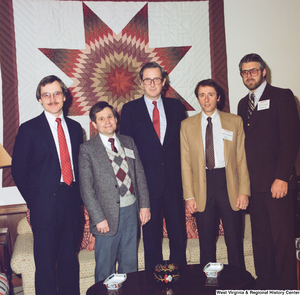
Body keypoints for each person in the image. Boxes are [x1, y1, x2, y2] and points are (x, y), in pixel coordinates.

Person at [11, 75, 83, 295]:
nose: (52, 98)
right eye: (46, 95)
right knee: (45, 267)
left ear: (64, 96)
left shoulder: (75, 128)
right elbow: (18, 171)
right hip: (44, 207)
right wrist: (36, 202)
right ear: (40, 99)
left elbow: (79, 167)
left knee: (70, 264)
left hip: (72, 203)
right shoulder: (29, 129)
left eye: (56, 93)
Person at [237, 53, 300, 289]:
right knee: (261, 241)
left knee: (282, 243)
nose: (249, 75)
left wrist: (282, 177)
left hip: (277, 184)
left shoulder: (282, 96)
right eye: (245, 71)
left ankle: (286, 289)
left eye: (254, 70)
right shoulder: (243, 104)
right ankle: (265, 285)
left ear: (264, 71)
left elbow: (291, 140)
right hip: (254, 186)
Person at [120, 62, 187, 270]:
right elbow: (127, 152)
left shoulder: (177, 107)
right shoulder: (130, 110)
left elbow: (184, 147)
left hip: (174, 183)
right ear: (141, 83)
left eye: (156, 79)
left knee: (178, 234)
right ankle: (153, 283)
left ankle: (181, 281)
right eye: (147, 79)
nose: (152, 83)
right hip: (146, 185)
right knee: (151, 239)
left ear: (163, 82)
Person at [180, 79, 250, 269]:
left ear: (218, 98)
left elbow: (241, 159)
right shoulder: (187, 125)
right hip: (202, 186)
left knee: (234, 241)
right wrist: (189, 196)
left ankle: (238, 282)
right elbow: (185, 164)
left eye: (210, 94)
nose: (206, 99)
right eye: (202, 95)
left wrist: (244, 191)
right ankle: (209, 285)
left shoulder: (235, 121)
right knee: (206, 243)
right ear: (198, 99)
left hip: (229, 183)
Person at [78, 101, 150, 282]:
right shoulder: (87, 149)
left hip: (131, 212)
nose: (107, 121)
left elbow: (139, 175)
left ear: (116, 119)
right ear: (94, 124)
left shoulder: (128, 142)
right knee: (105, 268)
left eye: (110, 116)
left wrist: (144, 206)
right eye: (101, 119)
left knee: (130, 265)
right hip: (105, 217)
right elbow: (86, 189)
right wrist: (98, 218)